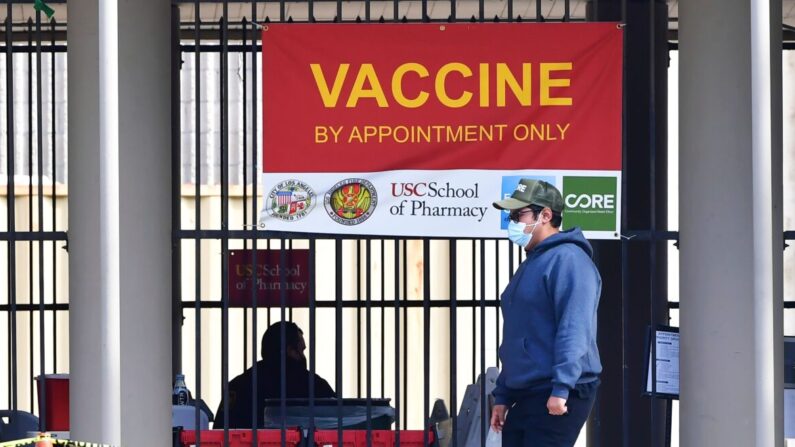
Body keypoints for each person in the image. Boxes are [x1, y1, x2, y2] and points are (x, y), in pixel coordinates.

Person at [489, 179, 602, 447]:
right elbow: (518, 335)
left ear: (546, 215)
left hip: (559, 390)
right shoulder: (533, 263)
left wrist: (561, 388)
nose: (513, 221)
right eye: (511, 215)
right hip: (529, 391)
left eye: (519, 214)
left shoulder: (569, 260)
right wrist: (503, 394)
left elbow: (574, 328)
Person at [214, 321, 336, 428]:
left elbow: (219, 430)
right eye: (302, 350)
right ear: (290, 350)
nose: (303, 356)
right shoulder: (314, 385)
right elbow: (342, 420)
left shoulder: (239, 385)